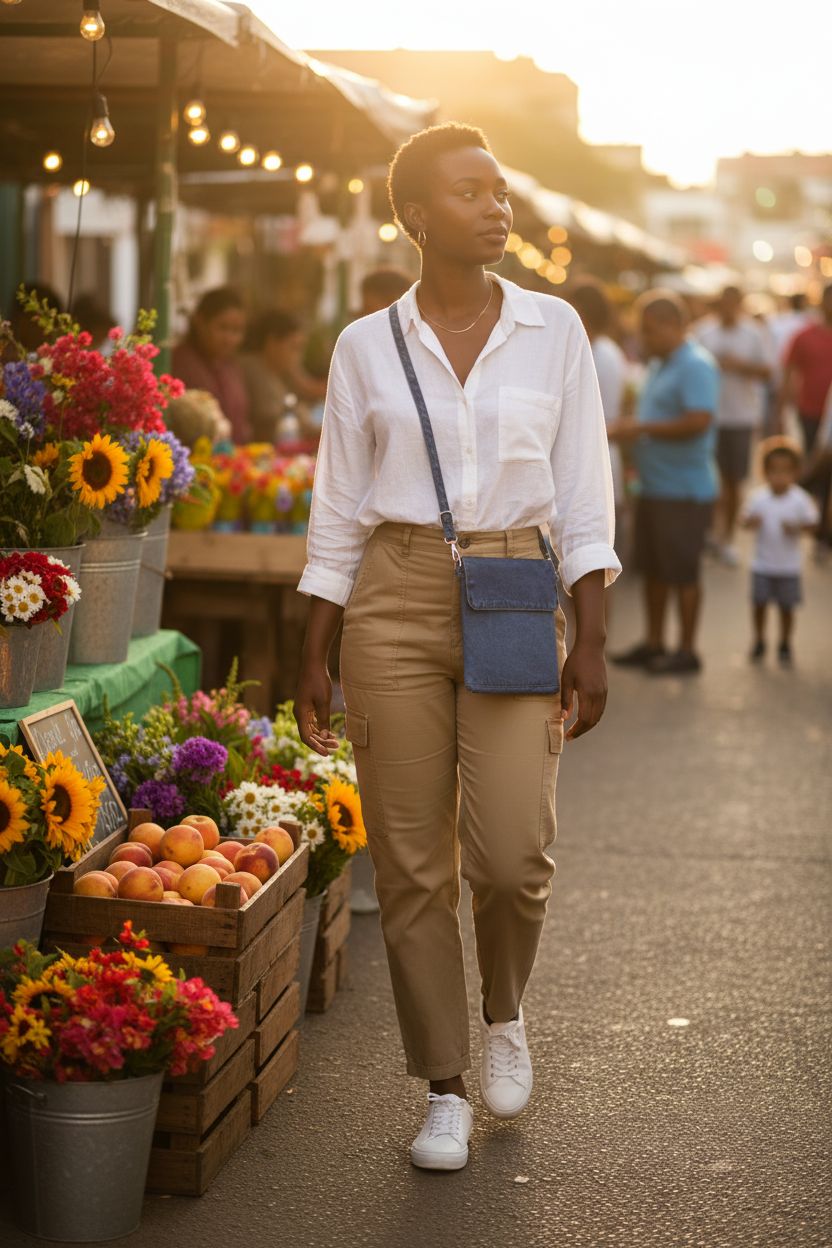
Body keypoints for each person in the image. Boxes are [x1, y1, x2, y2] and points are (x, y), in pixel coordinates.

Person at [293, 122, 620, 1172]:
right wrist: (316, 647)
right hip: (389, 599)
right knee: (409, 863)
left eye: (501, 191)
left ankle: (504, 1011)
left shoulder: (553, 330)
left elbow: (582, 490)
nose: (497, 207)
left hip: (518, 588)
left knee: (516, 854)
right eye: (472, 192)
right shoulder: (363, 346)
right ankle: (441, 1085)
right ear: (417, 216)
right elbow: (337, 507)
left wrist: (594, 636)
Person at [609, 290, 719, 675]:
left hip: (684, 490)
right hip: (656, 487)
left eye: (651, 331)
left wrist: (639, 427)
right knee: (654, 570)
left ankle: (686, 650)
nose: (644, 338)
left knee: (683, 572)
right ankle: (654, 642)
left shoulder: (695, 365)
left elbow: (698, 420)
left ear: (674, 326)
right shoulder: (659, 363)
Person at [694, 286, 771, 565]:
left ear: (739, 304)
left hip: (740, 417)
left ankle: (726, 537)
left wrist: (740, 366)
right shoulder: (703, 331)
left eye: (732, 304)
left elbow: (767, 372)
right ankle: (711, 532)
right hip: (709, 416)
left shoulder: (753, 333)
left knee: (734, 480)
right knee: (711, 480)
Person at [741, 438, 818, 666]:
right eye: (774, 471)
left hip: (789, 567)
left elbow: (813, 524)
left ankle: (785, 641)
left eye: (786, 471)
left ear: (795, 472)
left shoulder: (800, 499)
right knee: (759, 605)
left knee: (787, 607)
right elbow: (743, 521)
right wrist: (750, 523)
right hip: (762, 565)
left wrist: (797, 528)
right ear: (765, 472)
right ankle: (759, 639)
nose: (780, 477)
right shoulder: (758, 497)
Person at [571, 280, 628, 547]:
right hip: (594, 456)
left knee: (594, 558)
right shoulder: (603, 350)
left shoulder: (600, 354)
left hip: (594, 458)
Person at [172, 287, 251, 443]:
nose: (230, 339)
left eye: (236, 330)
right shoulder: (180, 363)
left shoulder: (231, 367)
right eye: (223, 328)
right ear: (200, 323)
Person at [239, 310, 315, 443]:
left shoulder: (277, 371)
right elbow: (270, 424)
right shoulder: (253, 370)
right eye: (294, 347)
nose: (298, 356)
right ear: (272, 342)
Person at [777, 283, 832, 455]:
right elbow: (788, 371)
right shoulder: (803, 336)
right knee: (812, 459)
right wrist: (781, 410)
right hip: (810, 409)